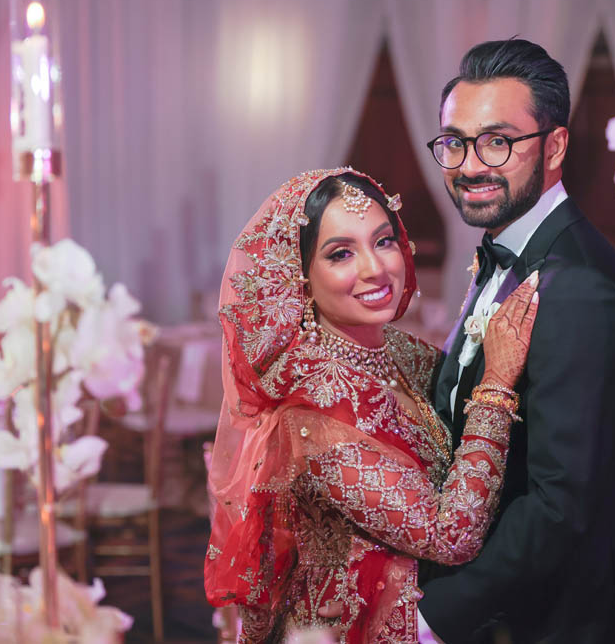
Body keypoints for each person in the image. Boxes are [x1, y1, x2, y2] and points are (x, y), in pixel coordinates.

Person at [204, 167, 539, 643]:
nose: (375, 268)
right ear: (301, 279)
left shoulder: (402, 354)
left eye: (383, 241)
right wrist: (498, 382)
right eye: (341, 253)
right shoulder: (310, 416)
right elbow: (451, 534)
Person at [417, 39, 615, 643]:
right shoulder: (513, 257)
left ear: (554, 146)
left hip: (548, 625)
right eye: (455, 143)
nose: (470, 165)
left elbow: (559, 508)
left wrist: (430, 619)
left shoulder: (578, 289)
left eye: (498, 142)